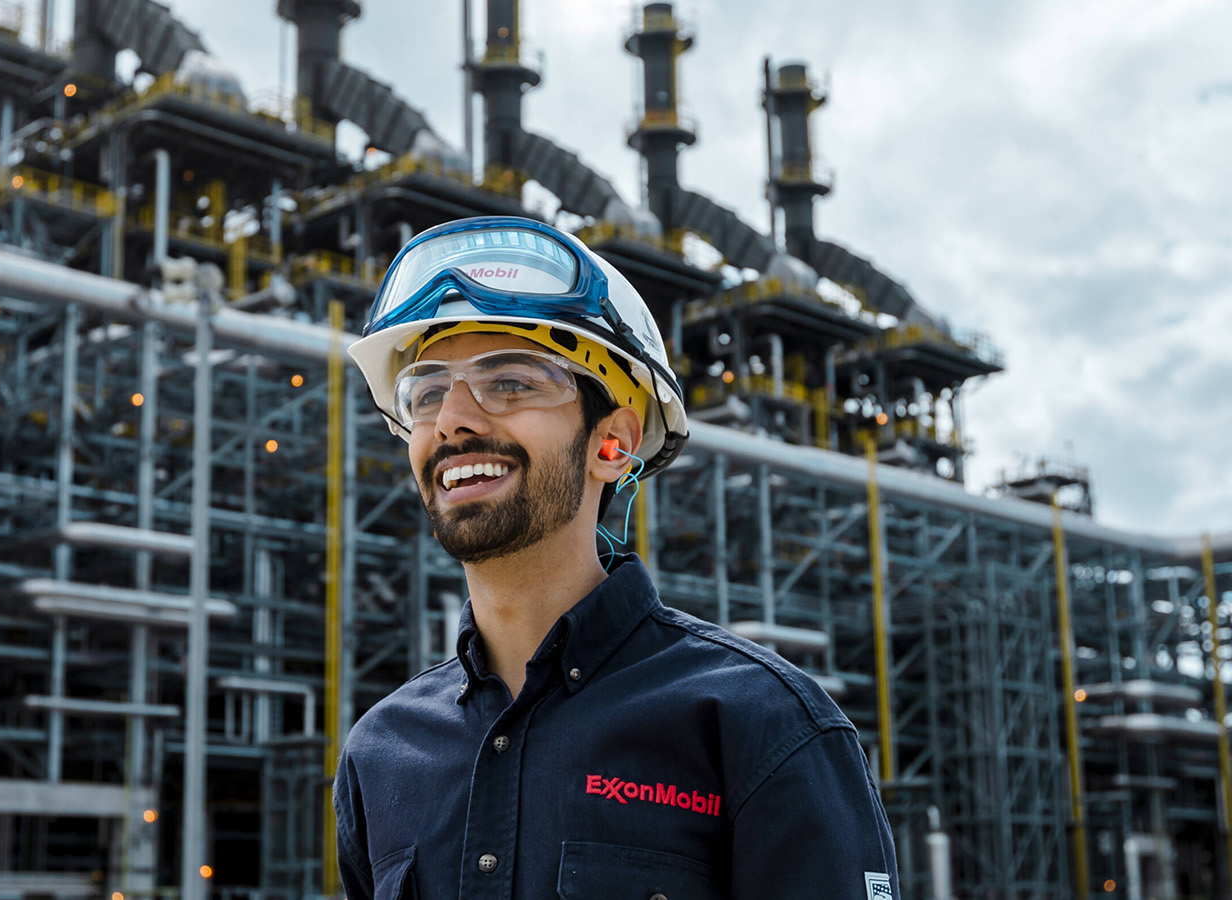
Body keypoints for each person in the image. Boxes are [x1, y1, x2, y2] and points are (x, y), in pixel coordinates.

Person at [336, 216, 899, 899]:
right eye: (425, 393)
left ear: (613, 444)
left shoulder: (761, 726)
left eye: (510, 382)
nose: (452, 418)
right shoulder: (381, 754)